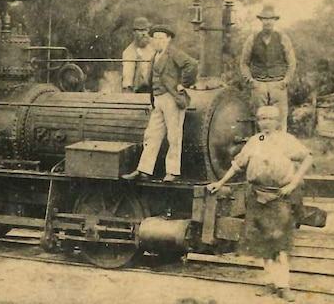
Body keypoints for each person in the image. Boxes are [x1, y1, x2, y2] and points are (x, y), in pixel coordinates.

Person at [207, 105, 313, 302]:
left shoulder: (287, 140)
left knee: (279, 244)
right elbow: (238, 165)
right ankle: (270, 283)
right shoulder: (257, 140)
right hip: (257, 196)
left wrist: (293, 183)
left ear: (278, 120)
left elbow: (308, 158)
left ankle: (284, 286)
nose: (265, 122)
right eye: (262, 119)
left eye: (270, 119)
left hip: (280, 197)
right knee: (264, 244)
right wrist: (220, 183)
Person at [122, 24, 198, 182]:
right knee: (151, 135)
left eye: (161, 38)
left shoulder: (173, 53)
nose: (157, 41)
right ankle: (144, 170)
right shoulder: (154, 55)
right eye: (155, 38)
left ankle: (172, 172)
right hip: (158, 100)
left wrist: (183, 84)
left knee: (173, 136)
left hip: (172, 99)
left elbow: (191, 65)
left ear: (168, 39)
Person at [240, 5, 297, 132]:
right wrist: (250, 81)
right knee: (260, 119)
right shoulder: (253, 38)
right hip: (259, 85)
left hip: (278, 84)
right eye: (265, 19)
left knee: (280, 120)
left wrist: (286, 80)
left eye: (271, 19)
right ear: (261, 21)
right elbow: (244, 62)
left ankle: (280, 148)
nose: (268, 22)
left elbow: (291, 62)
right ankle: (260, 147)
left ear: (275, 21)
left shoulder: (283, 38)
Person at [122, 17, 154, 93]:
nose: (143, 33)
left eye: (145, 30)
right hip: (142, 90)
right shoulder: (129, 52)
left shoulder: (155, 45)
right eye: (140, 30)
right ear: (134, 32)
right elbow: (128, 76)